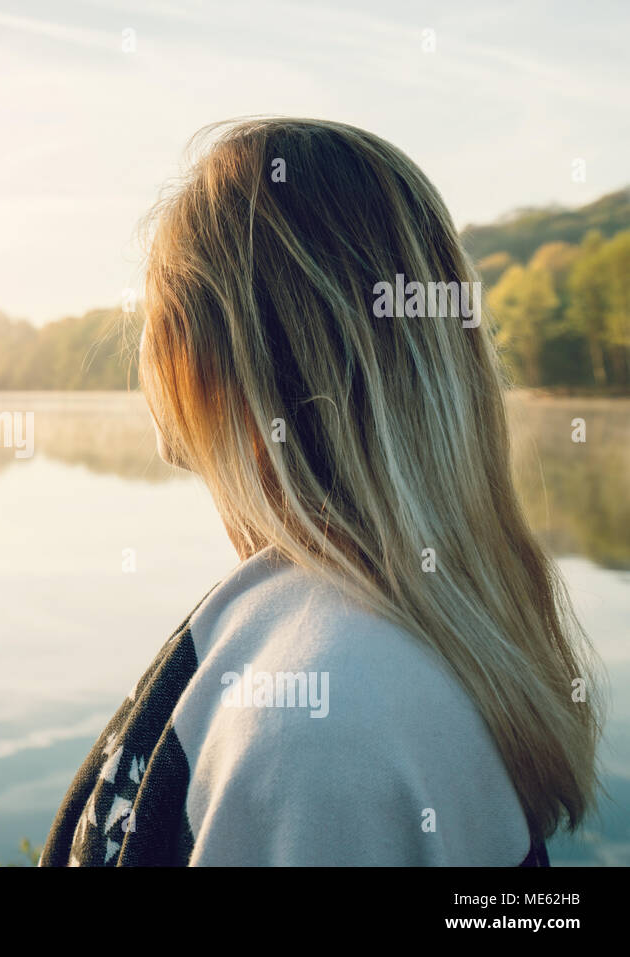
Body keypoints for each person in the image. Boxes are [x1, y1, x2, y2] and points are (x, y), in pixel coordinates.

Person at [40, 117, 602, 867]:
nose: (141, 345)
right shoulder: (355, 639)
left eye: (155, 311)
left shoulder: (322, 727)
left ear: (209, 354)